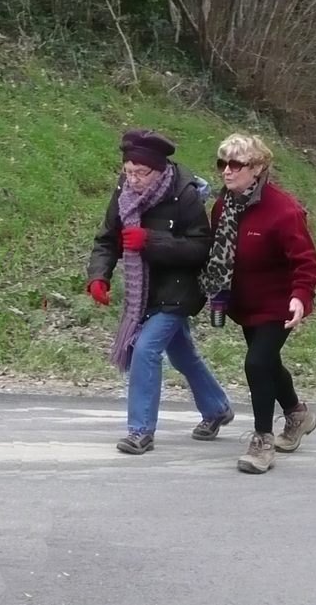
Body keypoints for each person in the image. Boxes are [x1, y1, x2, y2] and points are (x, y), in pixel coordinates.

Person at [87, 130, 232, 455]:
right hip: (145, 293)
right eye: (128, 171)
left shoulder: (185, 194)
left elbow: (201, 248)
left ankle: (140, 431)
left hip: (179, 290)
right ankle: (217, 408)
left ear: (159, 168)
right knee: (182, 354)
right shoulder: (123, 191)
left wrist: (151, 241)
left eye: (141, 173)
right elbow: (108, 239)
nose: (133, 179)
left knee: (146, 349)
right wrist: (99, 276)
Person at [200, 133, 316, 475]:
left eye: (235, 164)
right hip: (245, 303)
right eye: (222, 163)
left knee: (256, 364)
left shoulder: (283, 210)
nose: (226, 171)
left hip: (278, 304)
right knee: (267, 363)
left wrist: (300, 297)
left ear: (257, 168)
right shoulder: (223, 205)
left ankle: (262, 441)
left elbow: (306, 262)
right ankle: (298, 414)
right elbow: (217, 251)